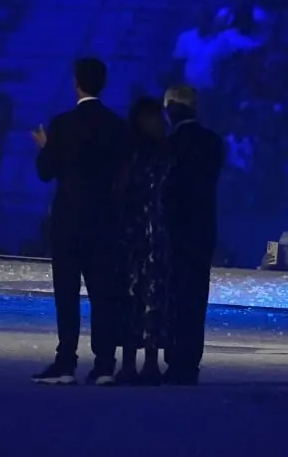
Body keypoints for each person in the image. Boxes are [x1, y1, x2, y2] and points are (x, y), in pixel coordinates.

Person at [30, 57, 129, 386]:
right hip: (104, 219)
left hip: (69, 220)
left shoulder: (62, 125)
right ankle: (104, 364)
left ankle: (66, 362)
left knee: (67, 293)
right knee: (103, 294)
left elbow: (46, 172)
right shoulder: (117, 126)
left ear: (77, 83)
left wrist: (47, 147)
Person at [162, 84, 224, 385]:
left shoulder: (171, 143)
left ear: (173, 107)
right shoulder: (213, 142)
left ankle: (175, 359)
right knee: (196, 297)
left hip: (175, 230)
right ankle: (190, 362)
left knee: (174, 295)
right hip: (203, 230)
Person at [115, 97, 172, 386]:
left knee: (152, 296)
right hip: (134, 234)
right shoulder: (132, 154)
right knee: (131, 296)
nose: (158, 123)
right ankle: (128, 362)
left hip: (155, 234)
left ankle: (150, 361)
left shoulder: (165, 154)